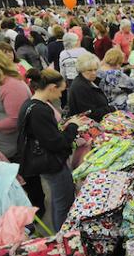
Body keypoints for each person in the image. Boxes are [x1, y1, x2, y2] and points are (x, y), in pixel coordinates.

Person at [18, 69, 84, 231]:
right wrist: (73, 126)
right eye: (61, 91)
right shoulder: (40, 110)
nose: (61, 95)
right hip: (52, 163)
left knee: (58, 198)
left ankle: (61, 235)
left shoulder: (30, 105)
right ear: (52, 87)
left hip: (45, 162)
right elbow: (55, 143)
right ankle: (64, 237)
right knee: (64, 202)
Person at [68, 53, 115, 122]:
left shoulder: (87, 81)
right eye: (89, 70)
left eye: (95, 69)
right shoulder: (81, 87)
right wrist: (111, 108)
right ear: (81, 70)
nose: (93, 73)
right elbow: (89, 114)